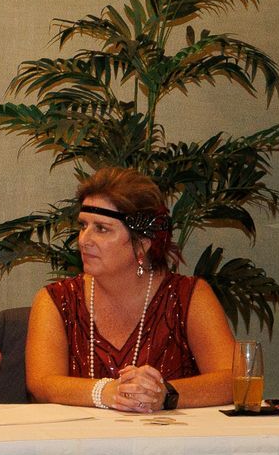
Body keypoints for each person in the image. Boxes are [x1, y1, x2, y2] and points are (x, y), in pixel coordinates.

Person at [25, 166, 235, 412]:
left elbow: (234, 379)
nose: (84, 240)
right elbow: (42, 383)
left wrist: (164, 393)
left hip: (168, 437)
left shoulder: (189, 296)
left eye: (101, 229)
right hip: (80, 437)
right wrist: (106, 391)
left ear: (142, 243)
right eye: (83, 225)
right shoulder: (57, 299)